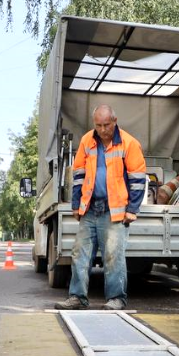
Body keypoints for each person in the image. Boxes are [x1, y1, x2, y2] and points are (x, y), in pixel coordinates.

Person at [55, 104, 146, 311]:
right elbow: (78, 174)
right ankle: (77, 297)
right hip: (90, 209)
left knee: (113, 256)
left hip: (114, 210)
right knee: (80, 254)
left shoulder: (129, 143)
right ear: (94, 124)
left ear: (114, 121)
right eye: (98, 125)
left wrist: (132, 209)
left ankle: (116, 299)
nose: (103, 129)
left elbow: (138, 179)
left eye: (106, 124)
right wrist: (76, 204)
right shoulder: (87, 140)